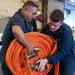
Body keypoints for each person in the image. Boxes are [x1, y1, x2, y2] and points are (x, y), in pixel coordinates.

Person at [0, 1, 38, 75]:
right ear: (25, 10)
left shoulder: (30, 20)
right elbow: (16, 31)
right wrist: (28, 46)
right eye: (33, 13)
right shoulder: (17, 18)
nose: (34, 16)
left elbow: (35, 35)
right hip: (9, 53)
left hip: (20, 54)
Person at [36, 9, 75, 75]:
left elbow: (63, 51)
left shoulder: (67, 31)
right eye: (50, 23)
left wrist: (46, 60)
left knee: (66, 73)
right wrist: (41, 60)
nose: (52, 27)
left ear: (61, 23)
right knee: (47, 72)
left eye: (55, 25)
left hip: (67, 56)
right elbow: (41, 45)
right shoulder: (45, 29)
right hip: (52, 54)